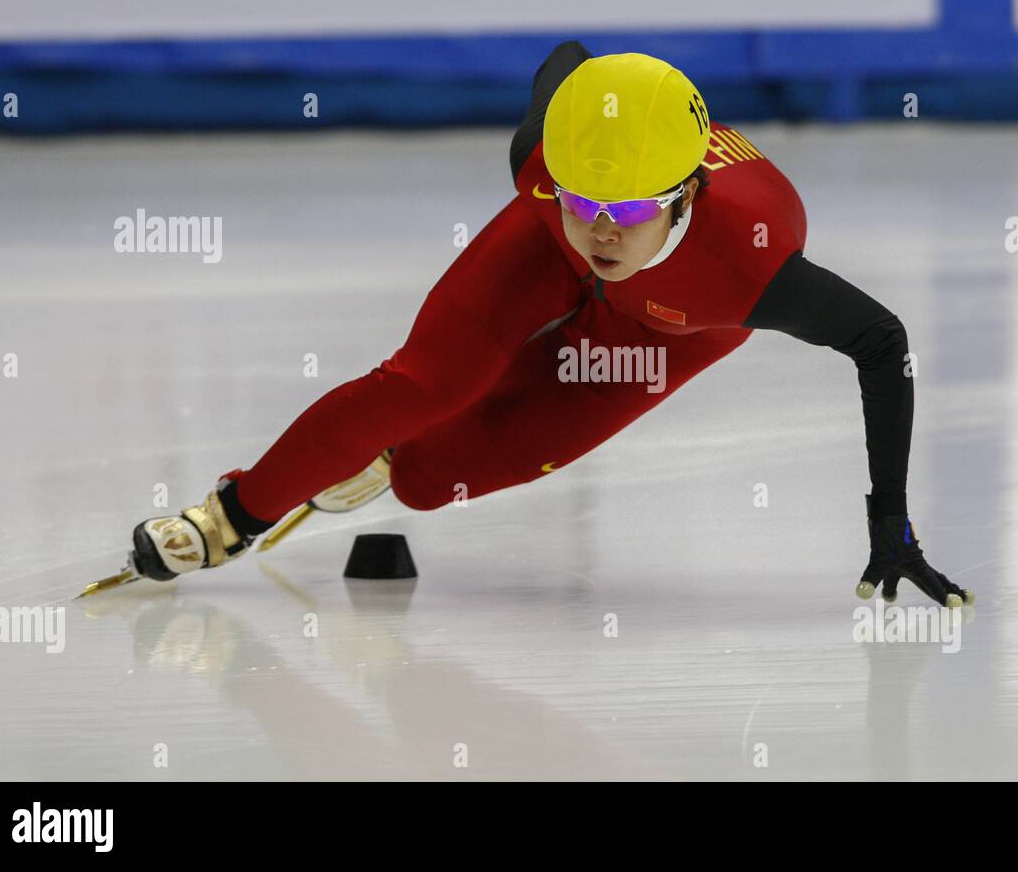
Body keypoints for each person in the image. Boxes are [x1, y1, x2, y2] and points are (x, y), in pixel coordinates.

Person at [126, 40, 972, 608]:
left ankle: (389, 459)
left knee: (429, 475)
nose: (603, 229)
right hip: (545, 252)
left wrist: (889, 525)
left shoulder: (745, 269)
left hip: (673, 324)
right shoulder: (550, 175)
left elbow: (882, 341)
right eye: (584, 201)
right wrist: (584, 136)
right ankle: (229, 515)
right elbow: (566, 62)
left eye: (630, 208)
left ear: (685, 194)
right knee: (427, 382)